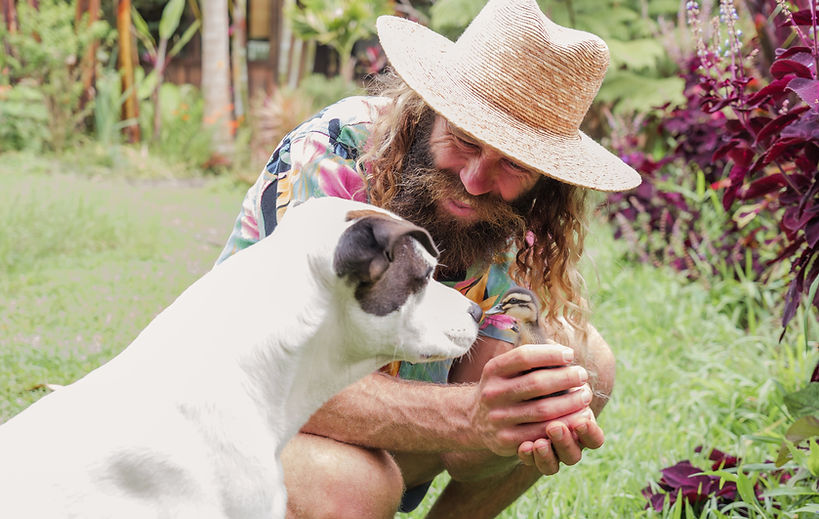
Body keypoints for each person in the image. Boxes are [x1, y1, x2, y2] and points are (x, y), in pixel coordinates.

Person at [216, 0, 641, 516]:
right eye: (463, 140)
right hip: (249, 414)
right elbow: (276, 369)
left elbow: (469, 457)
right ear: (428, 108)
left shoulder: (524, 213)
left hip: (398, 418)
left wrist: (524, 422)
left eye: (512, 164)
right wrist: (470, 416)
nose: (474, 181)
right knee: (353, 486)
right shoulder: (334, 156)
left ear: (545, 181)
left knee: (579, 370)